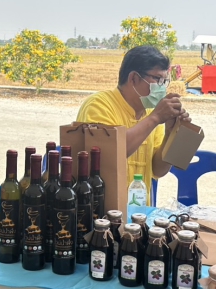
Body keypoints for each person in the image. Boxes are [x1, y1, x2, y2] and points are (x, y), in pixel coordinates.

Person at [76, 45, 189, 204]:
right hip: (102, 209)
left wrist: (171, 133)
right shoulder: (99, 105)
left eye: (165, 81)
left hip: (139, 211)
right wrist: (156, 117)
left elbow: (158, 170)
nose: (162, 87)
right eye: (157, 79)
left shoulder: (151, 113)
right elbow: (111, 155)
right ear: (134, 78)